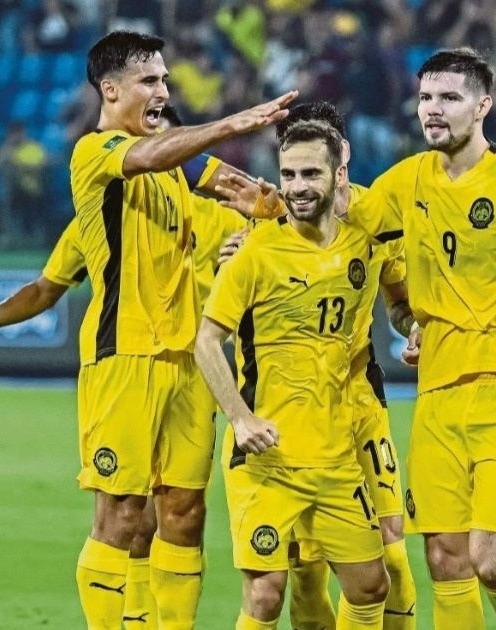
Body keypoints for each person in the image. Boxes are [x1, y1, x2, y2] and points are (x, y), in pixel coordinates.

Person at [220, 47, 496, 630]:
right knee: (444, 560)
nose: (433, 109)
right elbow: (334, 211)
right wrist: (267, 217)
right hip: (438, 391)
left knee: (492, 562)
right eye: (426, 97)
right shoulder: (407, 180)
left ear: (483, 106)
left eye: (449, 98)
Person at [0, 101, 257, 629]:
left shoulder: (221, 218)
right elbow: (47, 286)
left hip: (192, 370)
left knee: (183, 512)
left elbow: (280, 238)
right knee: (128, 515)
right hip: (125, 361)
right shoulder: (106, 206)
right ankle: (131, 619)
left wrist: (257, 234)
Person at [195, 120, 390, 630]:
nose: (297, 187)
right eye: (288, 175)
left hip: (334, 453)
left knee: (371, 585)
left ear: (338, 174)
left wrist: (413, 325)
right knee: (265, 595)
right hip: (267, 459)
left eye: (310, 174)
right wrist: (240, 418)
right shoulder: (254, 252)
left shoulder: (362, 244)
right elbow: (206, 341)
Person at [261, 101, 419, 630]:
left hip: (360, 399)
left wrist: (414, 325)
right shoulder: (267, 221)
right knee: (305, 569)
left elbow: (400, 301)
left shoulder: (378, 215)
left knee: (391, 552)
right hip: (292, 412)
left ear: (342, 152)